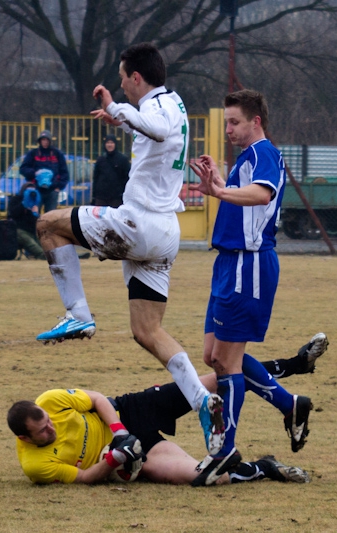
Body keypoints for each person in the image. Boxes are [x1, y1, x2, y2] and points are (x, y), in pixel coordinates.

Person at [33, 43, 227, 457]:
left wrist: (118, 109)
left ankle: (78, 316)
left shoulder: (155, 111)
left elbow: (155, 130)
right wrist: (118, 115)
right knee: (148, 331)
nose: (120, 83)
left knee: (48, 224)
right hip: (165, 233)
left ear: (136, 78)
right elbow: (154, 133)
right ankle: (202, 402)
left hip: (138, 222)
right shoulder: (173, 102)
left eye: (123, 78)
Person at [188, 89, 313, 486]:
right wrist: (218, 184)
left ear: (255, 121)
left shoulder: (264, 153)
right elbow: (248, 201)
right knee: (214, 356)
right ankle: (289, 404)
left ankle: (225, 452)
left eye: (234, 122)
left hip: (248, 264)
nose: (228, 130)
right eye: (226, 122)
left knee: (226, 361)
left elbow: (262, 194)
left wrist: (221, 191)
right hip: (228, 262)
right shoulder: (248, 157)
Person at [6, 336, 327, 486]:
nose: (52, 428)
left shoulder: (50, 400)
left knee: (221, 375)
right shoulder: (36, 466)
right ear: (25, 438)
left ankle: (296, 366)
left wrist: (118, 432)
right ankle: (266, 468)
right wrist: (115, 457)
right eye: (44, 432)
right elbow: (86, 478)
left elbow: (98, 399)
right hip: (133, 454)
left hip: (129, 412)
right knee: (205, 478)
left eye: (49, 422)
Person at [19, 130, 70, 213]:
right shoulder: (33, 153)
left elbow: (64, 172)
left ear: (50, 141)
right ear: (40, 141)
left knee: (50, 218)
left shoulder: (57, 154)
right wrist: (34, 173)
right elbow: (23, 169)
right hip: (36, 190)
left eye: (47, 140)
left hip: (52, 191)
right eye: (43, 140)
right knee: (33, 215)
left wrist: (58, 187)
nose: (45, 142)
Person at [7, 182, 46, 260]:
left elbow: (37, 222)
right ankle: (44, 256)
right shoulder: (16, 200)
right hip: (17, 230)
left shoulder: (35, 202)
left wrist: (36, 214)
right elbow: (12, 213)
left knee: (44, 242)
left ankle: (53, 255)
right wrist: (23, 205)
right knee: (30, 242)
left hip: (31, 231)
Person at [91, 134, 130, 208]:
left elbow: (126, 178)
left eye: (112, 143)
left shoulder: (122, 160)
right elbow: (95, 178)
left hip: (117, 198)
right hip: (101, 197)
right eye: (107, 143)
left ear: (115, 144)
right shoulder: (101, 159)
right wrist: (94, 196)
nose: (109, 145)